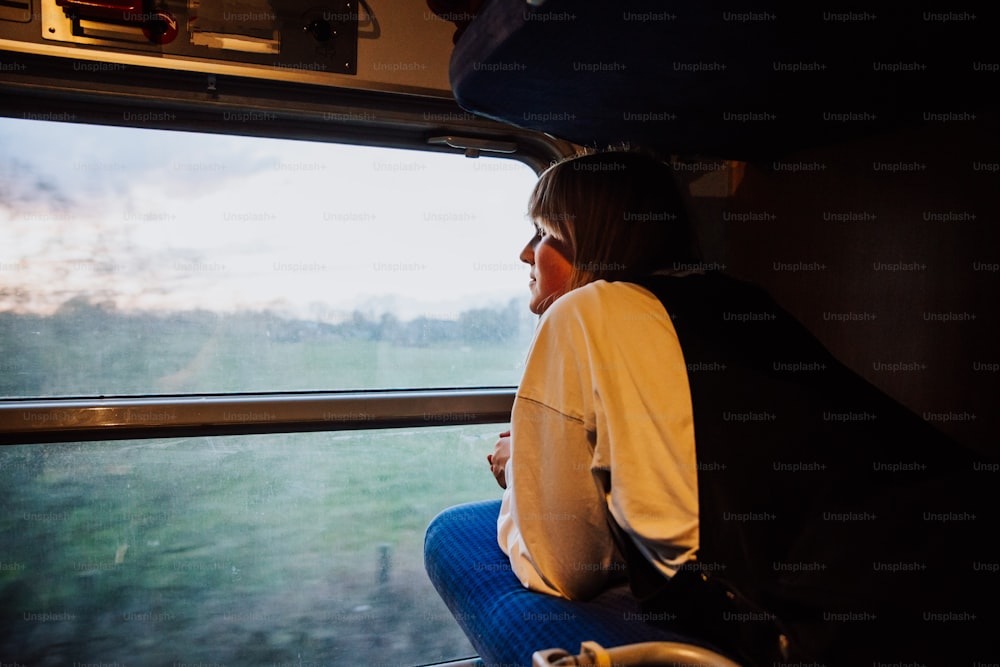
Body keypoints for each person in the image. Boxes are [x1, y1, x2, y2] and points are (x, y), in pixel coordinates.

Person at [427, 150, 995, 667]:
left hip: (833, 622)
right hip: (959, 547)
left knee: (449, 534)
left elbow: (563, 569)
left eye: (545, 232)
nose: (525, 252)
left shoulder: (581, 311)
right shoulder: (738, 298)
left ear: (593, 243)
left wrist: (514, 476)